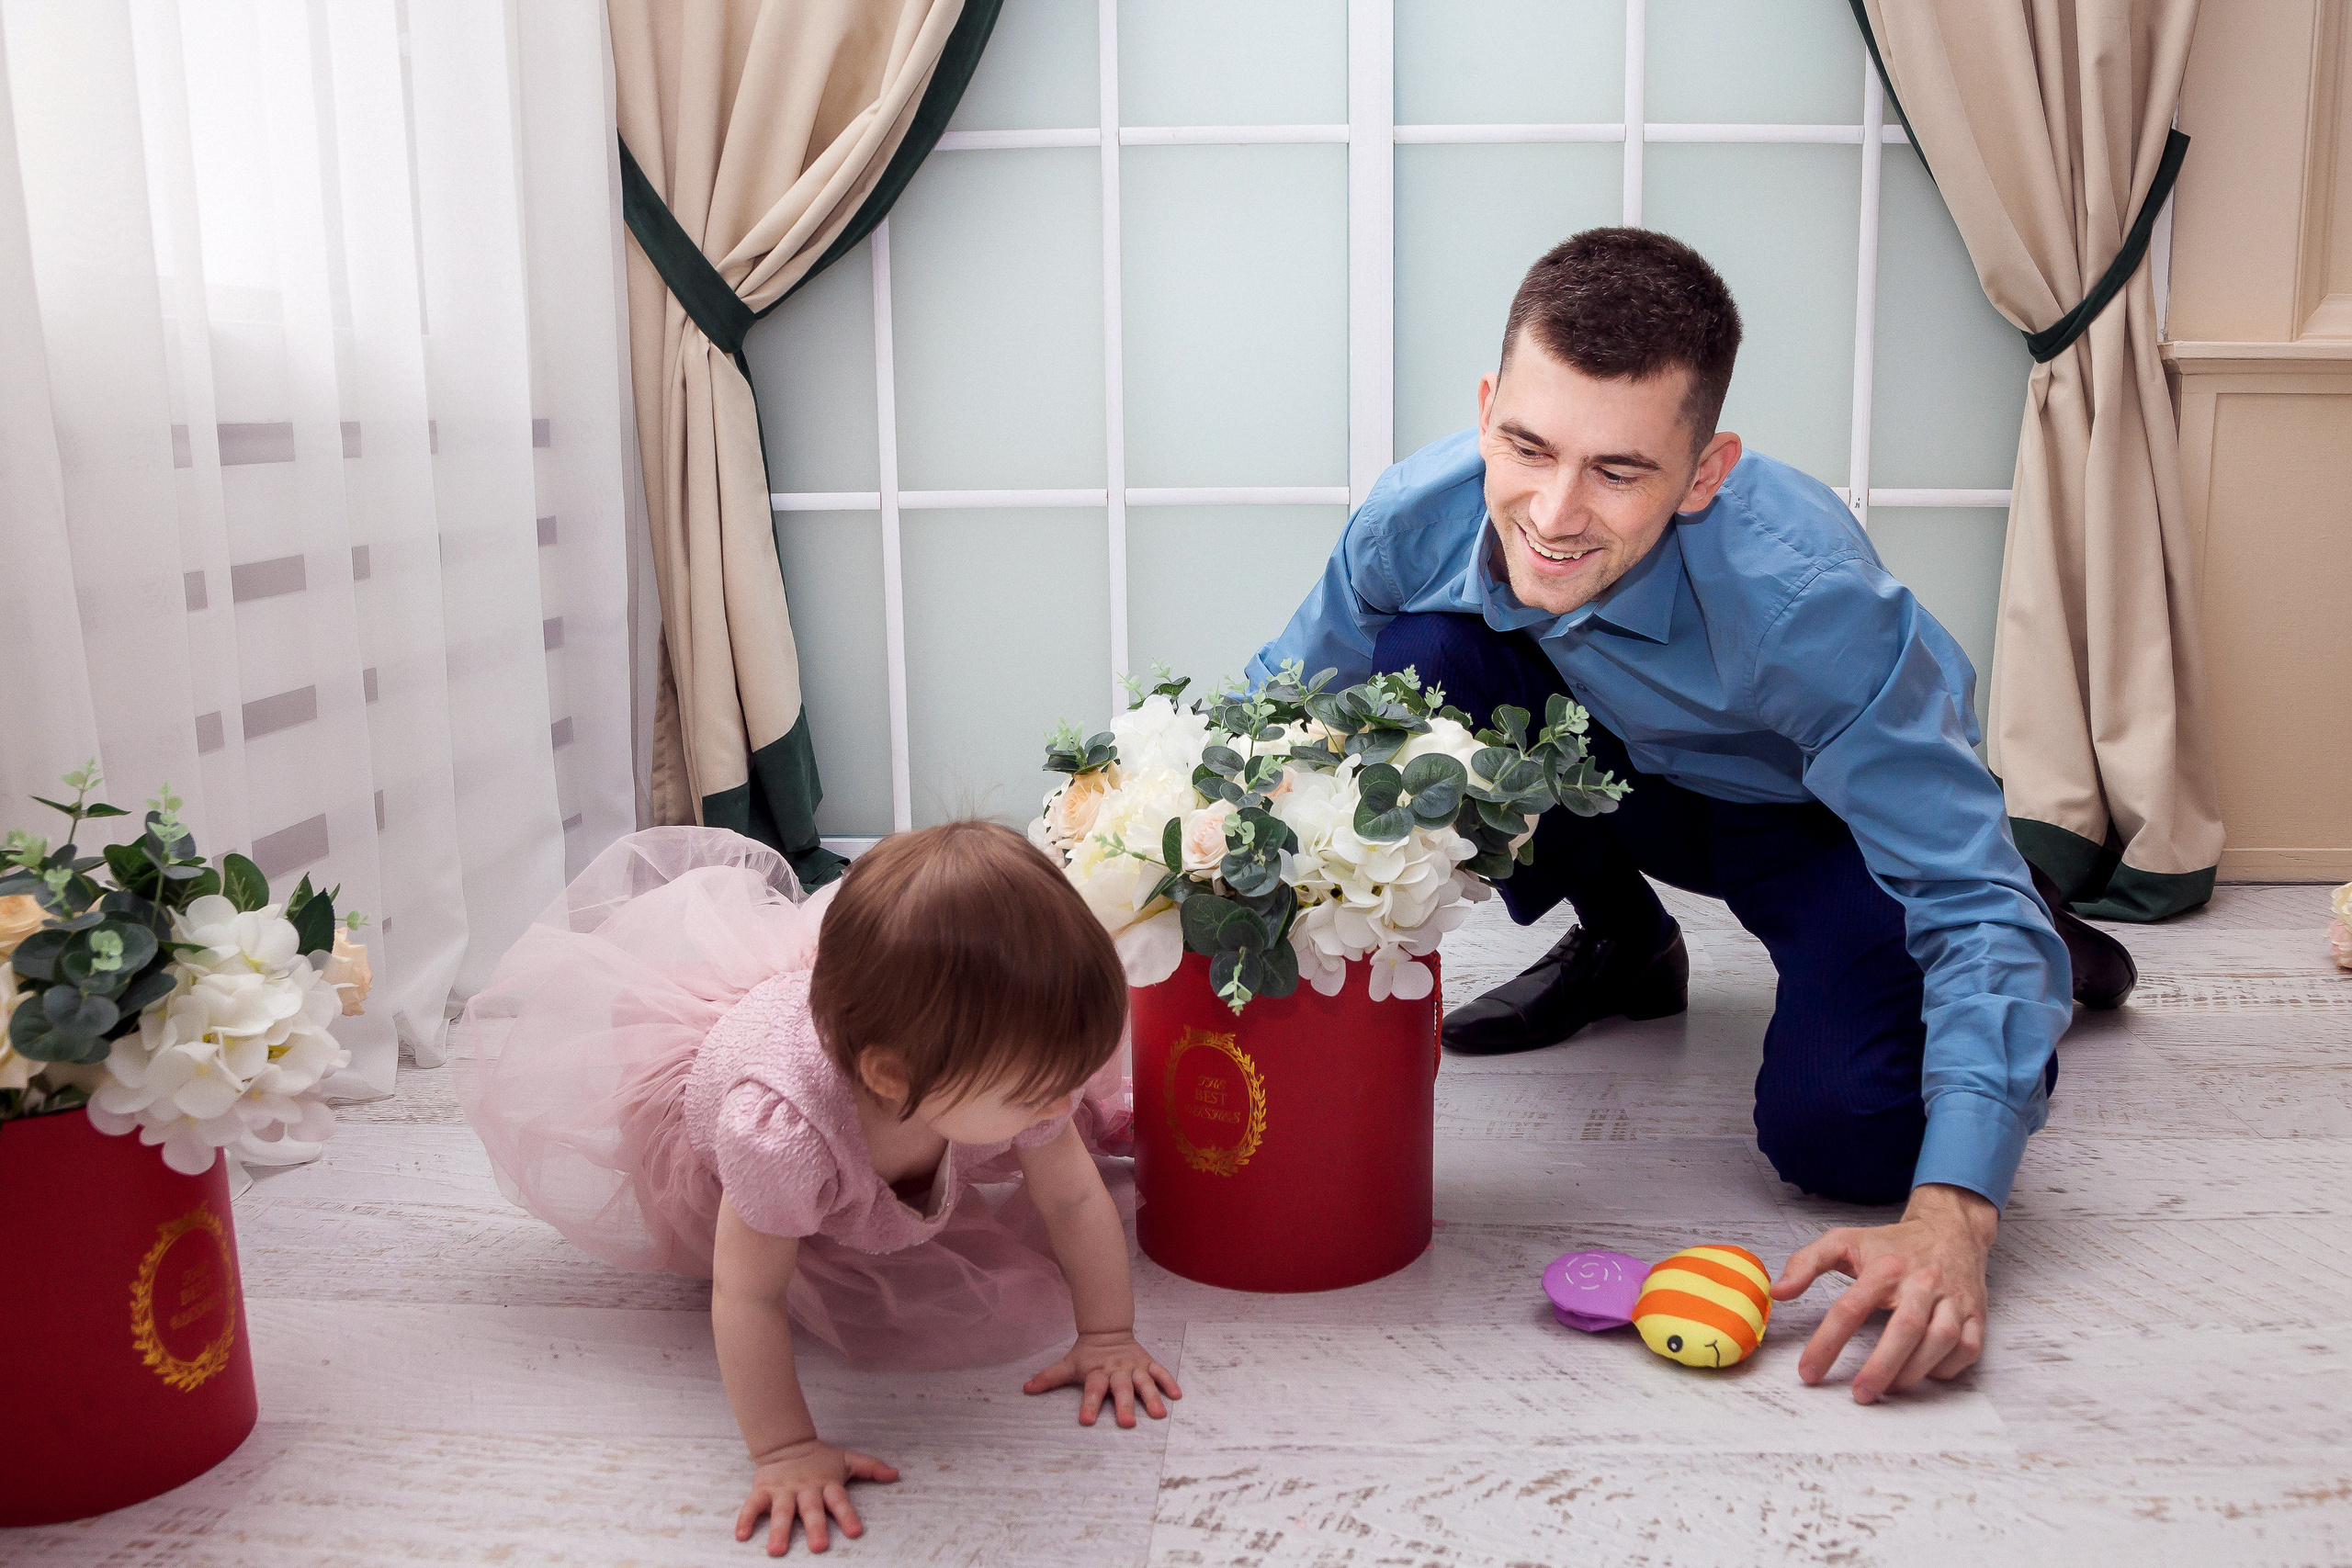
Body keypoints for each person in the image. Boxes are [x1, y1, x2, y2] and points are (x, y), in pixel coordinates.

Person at [1249, 228, 2137, 1405]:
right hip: (1624, 786)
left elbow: (1961, 897)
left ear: (1705, 472)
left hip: (1817, 827)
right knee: (1423, 660)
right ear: (1487, 409)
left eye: (1619, 472)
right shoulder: (1414, 516)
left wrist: (1957, 1210)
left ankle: (2037, 935)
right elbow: (1280, 718)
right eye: (1527, 446)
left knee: (1847, 1135)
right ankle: (1627, 943)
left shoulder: (1810, 602)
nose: (1553, 512)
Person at [458, 821, 1179, 1557]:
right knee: (770, 1241)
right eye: (1033, 1091)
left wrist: (1107, 1334)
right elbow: (749, 1295)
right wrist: (784, 1448)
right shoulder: (778, 1134)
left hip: (890, 1088)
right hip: (749, 1102)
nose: (1063, 1102)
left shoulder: (1008, 1080)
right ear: (893, 1077)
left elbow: (1072, 1199)